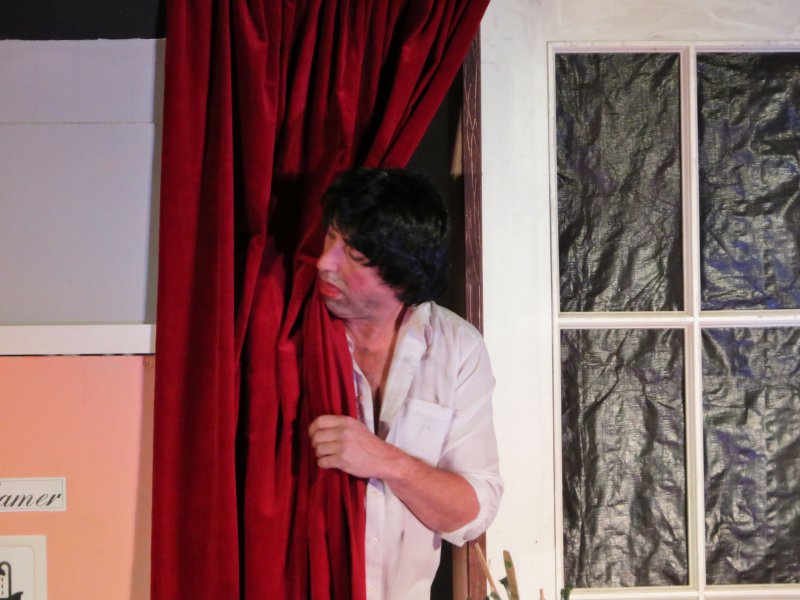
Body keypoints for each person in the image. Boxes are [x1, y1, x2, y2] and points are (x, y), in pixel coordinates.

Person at [309, 167, 503, 599]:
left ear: (401, 275)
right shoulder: (292, 333)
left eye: (353, 255)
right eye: (330, 238)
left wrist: (386, 461)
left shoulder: (457, 347)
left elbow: (471, 514)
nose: (325, 262)